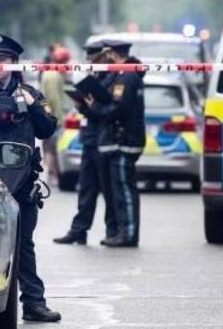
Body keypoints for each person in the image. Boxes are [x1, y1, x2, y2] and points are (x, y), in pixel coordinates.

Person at [0, 33, 62, 323]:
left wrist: (30, 104)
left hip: (21, 184)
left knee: (23, 242)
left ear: (15, 63)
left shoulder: (30, 94)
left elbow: (47, 130)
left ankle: (33, 302)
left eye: (3, 60)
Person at [76, 39, 145, 247]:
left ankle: (129, 234)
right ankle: (122, 232)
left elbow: (119, 108)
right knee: (118, 191)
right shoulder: (123, 74)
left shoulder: (127, 75)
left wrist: (95, 107)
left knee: (124, 191)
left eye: (108, 53)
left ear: (113, 54)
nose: (105, 57)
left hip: (125, 140)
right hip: (119, 140)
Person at [54, 39, 117, 245]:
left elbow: (109, 109)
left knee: (108, 188)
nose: (89, 59)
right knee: (86, 187)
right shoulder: (94, 75)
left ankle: (113, 230)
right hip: (90, 137)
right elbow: (92, 109)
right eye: (88, 55)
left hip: (105, 138)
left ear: (103, 55)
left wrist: (90, 104)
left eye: (93, 55)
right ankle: (79, 230)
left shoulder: (112, 75)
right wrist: (81, 103)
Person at [39, 44, 70, 184]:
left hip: (46, 114)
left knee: (48, 146)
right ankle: (52, 175)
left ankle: (52, 173)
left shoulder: (49, 71)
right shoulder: (54, 74)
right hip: (53, 117)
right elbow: (54, 99)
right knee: (52, 148)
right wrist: (58, 118)